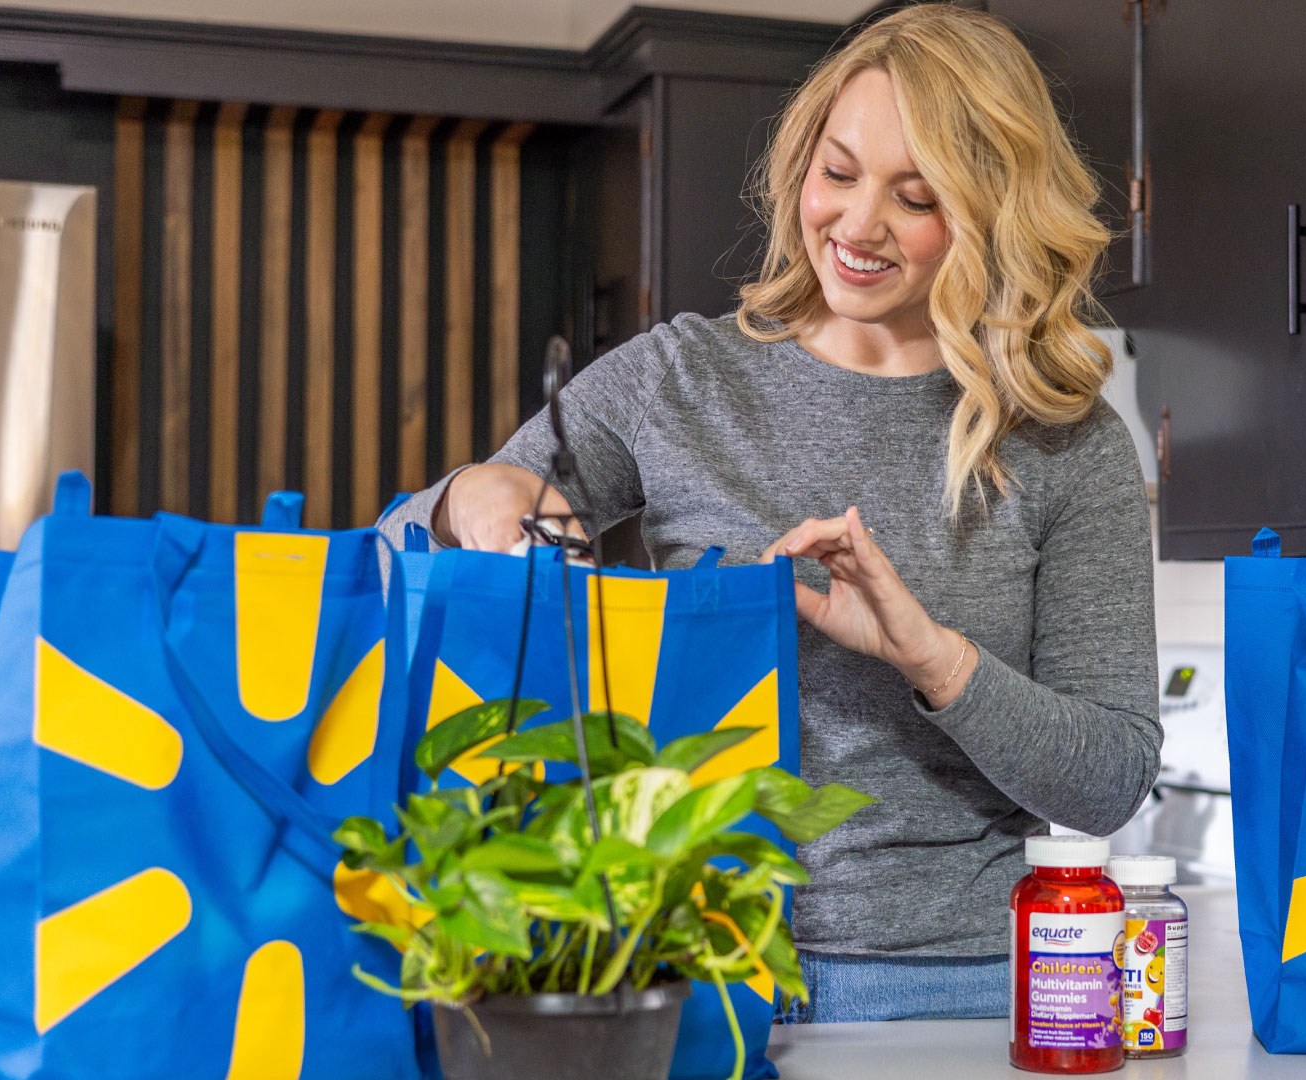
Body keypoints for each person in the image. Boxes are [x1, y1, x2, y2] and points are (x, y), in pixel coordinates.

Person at [380, 4, 1160, 1022]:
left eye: (914, 197)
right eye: (838, 173)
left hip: (956, 991)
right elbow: (410, 555)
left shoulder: (1066, 438)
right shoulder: (678, 380)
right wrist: (468, 498)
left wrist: (930, 655)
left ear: (989, 212)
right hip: (689, 969)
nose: (858, 224)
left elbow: (1109, 780)